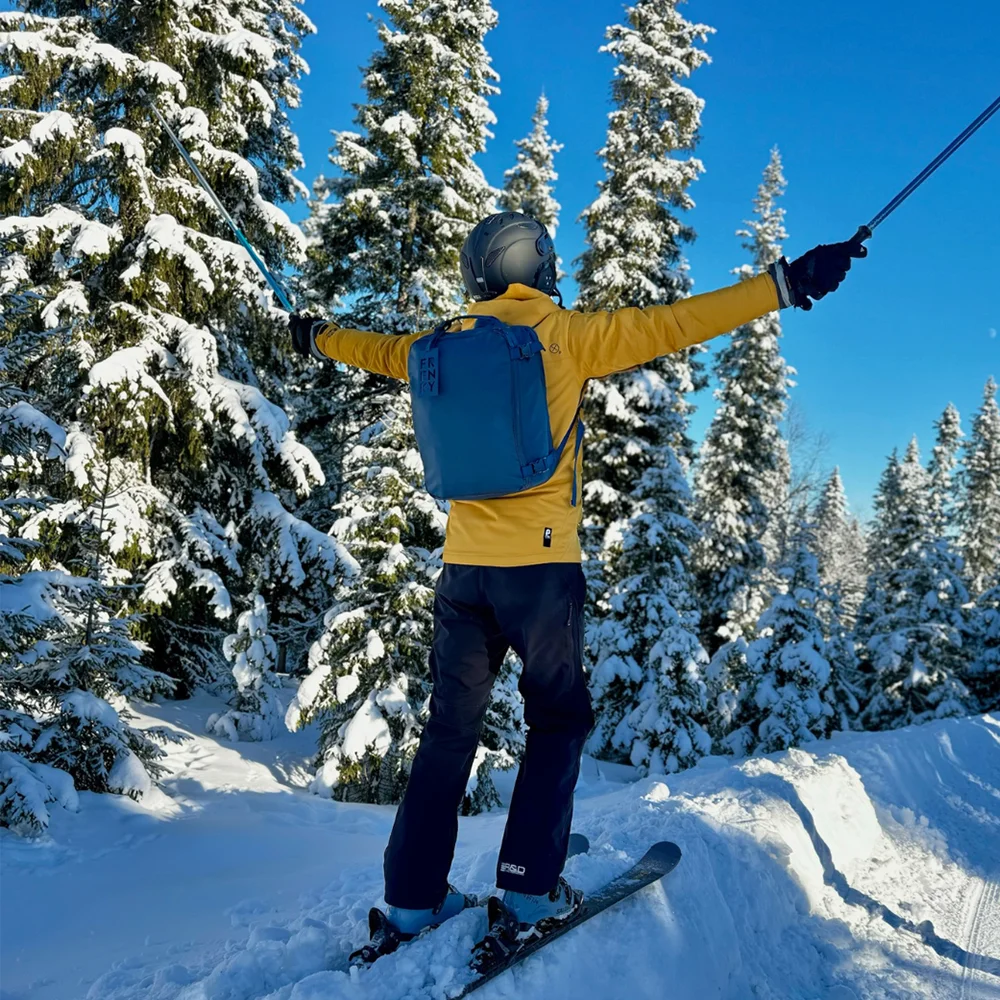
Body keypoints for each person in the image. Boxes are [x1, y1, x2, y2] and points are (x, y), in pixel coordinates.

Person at [288, 212, 864, 958]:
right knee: (556, 721)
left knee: (448, 731)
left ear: (482, 275)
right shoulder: (565, 337)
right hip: (542, 573)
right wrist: (785, 283)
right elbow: (678, 323)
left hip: (463, 573)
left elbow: (364, 348)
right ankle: (528, 889)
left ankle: (409, 903)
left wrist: (312, 336)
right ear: (541, 270)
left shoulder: (431, 349)